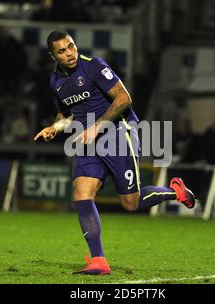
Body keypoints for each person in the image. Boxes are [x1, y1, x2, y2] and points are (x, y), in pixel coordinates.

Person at [34, 31, 197, 275]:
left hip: (119, 134)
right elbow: (66, 113)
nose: (70, 53)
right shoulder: (56, 81)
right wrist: (55, 128)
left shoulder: (94, 67)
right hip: (90, 141)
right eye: (62, 51)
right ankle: (98, 261)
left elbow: (124, 99)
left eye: (71, 46)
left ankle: (176, 192)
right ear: (52, 55)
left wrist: (97, 127)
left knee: (130, 203)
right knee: (82, 193)